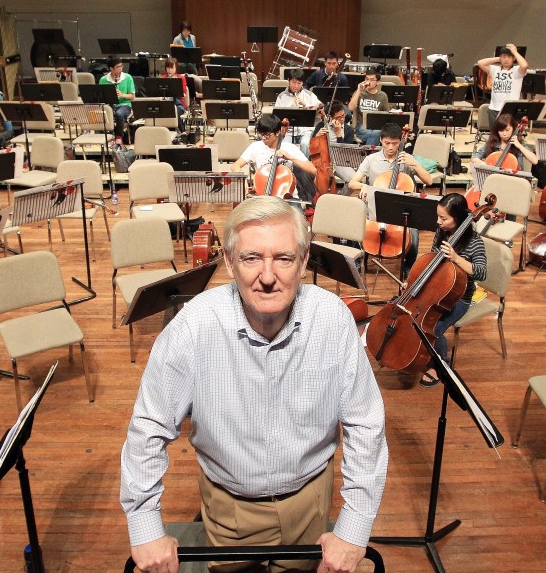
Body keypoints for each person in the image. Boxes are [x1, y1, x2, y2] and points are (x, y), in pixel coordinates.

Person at [120, 196, 388, 573]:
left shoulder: (333, 320)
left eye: (283, 258)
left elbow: (366, 424)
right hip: (228, 508)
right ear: (229, 262)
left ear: (304, 258)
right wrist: (145, 526)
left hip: (311, 499)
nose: (267, 276)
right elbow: (148, 427)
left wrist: (354, 527)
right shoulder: (193, 326)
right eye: (250, 258)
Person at [412, 193, 488, 388]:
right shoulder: (442, 232)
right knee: (413, 316)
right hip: (436, 286)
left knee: (434, 327)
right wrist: (416, 280)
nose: (438, 222)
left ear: (459, 218)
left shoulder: (475, 242)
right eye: (438, 216)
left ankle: (441, 364)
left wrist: (456, 257)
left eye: (443, 218)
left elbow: (481, 273)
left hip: (458, 297)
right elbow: (433, 257)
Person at [348, 122, 432, 278]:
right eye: (387, 143)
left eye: (395, 143)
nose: (391, 147)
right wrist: (363, 187)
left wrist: (414, 163)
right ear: (381, 140)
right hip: (375, 205)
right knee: (355, 220)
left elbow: (429, 181)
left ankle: (409, 265)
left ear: (400, 142)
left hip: (400, 208)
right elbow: (353, 182)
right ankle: (358, 260)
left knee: (413, 230)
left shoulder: (406, 160)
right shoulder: (371, 160)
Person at [233, 114, 317, 204]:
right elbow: (235, 166)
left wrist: (291, 158)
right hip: (262, 197)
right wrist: (242, 180)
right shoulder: (255, 146)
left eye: (267, 135)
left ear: (277, 132)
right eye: (261, 134)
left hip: (287, 198)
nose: (263, 138)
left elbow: (313, 170)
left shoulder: (290, 148)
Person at [311, 100, 357, 195]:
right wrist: (316, 137)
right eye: (338, 117)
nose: (342, 119)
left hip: (339, 161)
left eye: (343, 116)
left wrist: (339, 134)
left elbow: (344, 153)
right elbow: (312, 147)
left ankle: (340, 197)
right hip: (322, 161)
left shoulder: (349, 130)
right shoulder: (321, 125)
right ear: (331, 117)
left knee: (353, 179)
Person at [476, 43, 529, 123]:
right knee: (494, 134)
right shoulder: (495, 69)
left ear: (513, 58)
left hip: (509, 109)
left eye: (509, 57)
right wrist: (499, 58)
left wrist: (515, 52)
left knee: (508, 133)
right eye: (504, 57)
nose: (506, 59)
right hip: (493, 108)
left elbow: (524, 66)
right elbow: (480, 63)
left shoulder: (516, 70)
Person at [471, 112, 538, 171]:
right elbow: (474, 158)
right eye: (501, 130)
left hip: (515, 181)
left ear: (513, 129)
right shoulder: (493, 143)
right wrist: (484, 164)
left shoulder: (519, 144)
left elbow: (535, 161)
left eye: (507, 130)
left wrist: (520, 146)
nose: (504, 133)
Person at [349, 72, 390, 146]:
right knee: (375, 134)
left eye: (372, 80)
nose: (368, 82)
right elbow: (351, 107)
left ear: (377, 82)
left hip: (377, 126)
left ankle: (368, 155)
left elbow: (386, 114)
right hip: (362, 126)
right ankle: (370, 155)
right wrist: (359, 90)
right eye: (367, 79)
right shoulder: (359, 93)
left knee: (376, 133)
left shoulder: (382, 96)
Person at [100, 57, 136, 139]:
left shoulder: (127, 77)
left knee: (119, 114)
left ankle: (118, 137)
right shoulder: (103, 80)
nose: (120, 68)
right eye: (118, 67)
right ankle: (104, 136)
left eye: (121, 66)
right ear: (111, 69)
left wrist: (122, 95)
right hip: (109, 104)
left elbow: (132, 96)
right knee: (99, 114)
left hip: (125, 104)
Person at [161, 56, 190, 130]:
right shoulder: (162, 78)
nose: (169, 70)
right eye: (168, 68)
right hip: (166, 103)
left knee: (175, 111)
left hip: (179, 103)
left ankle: (182, 131)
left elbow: (183, 93)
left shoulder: (181, 78)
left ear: (176, 68)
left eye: (172, 68)